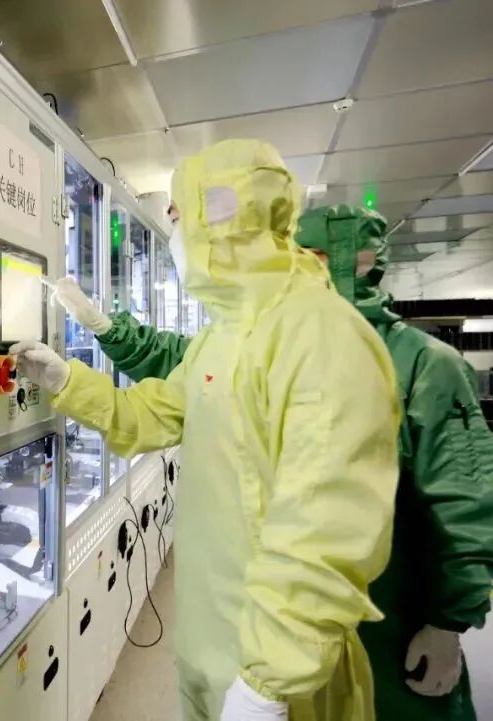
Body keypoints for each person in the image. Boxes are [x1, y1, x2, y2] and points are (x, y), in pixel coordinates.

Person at [54, 201, 493, 721]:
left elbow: (465, 505)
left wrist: (447, 622)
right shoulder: (253, 342)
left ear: (349, 261)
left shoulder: (423, 365)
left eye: (307, 256)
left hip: (383, 618)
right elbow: (179, 367)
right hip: (270, 616)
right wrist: (101, 332)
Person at [11, 139, 401, 721]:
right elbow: (151, 415)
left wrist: (268, 686)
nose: (175, 234)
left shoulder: (320, 334)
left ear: (223, 216)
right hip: (210, 641)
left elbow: (327, 531)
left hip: (278, 679)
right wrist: (66, 380)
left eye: (177, 217)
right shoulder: (224, 336)